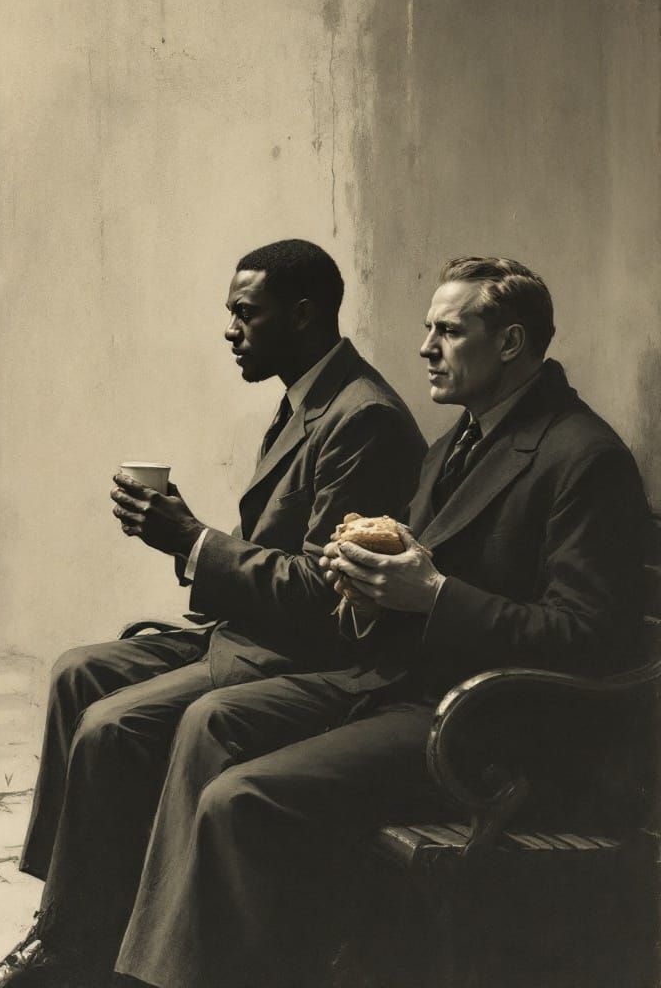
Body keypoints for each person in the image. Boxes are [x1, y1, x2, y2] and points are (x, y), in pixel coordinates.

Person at [107, 256, 649, 988]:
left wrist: (435, 595)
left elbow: (588, 641)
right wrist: (359, 587)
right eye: (428, 329)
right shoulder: (458, 442)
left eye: (449, 331)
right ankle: (147, 974)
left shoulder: (584, 457)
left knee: (243, 798)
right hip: (400, 683)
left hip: (484, 726)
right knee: (214, 720)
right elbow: (408, 583)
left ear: (511, 343)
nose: (425, 347)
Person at [0, 239, 426, 988]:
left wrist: (193, 541)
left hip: (299, 656)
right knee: (78, 673)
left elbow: (324, 597)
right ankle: (71, 926)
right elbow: (274, 558)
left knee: (112, 725)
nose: (230, 330)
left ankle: (77, 952)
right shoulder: (308, 398)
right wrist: (186, 539)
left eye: (245, 314)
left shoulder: (364, 419)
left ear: (302, 315)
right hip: (248, 634)